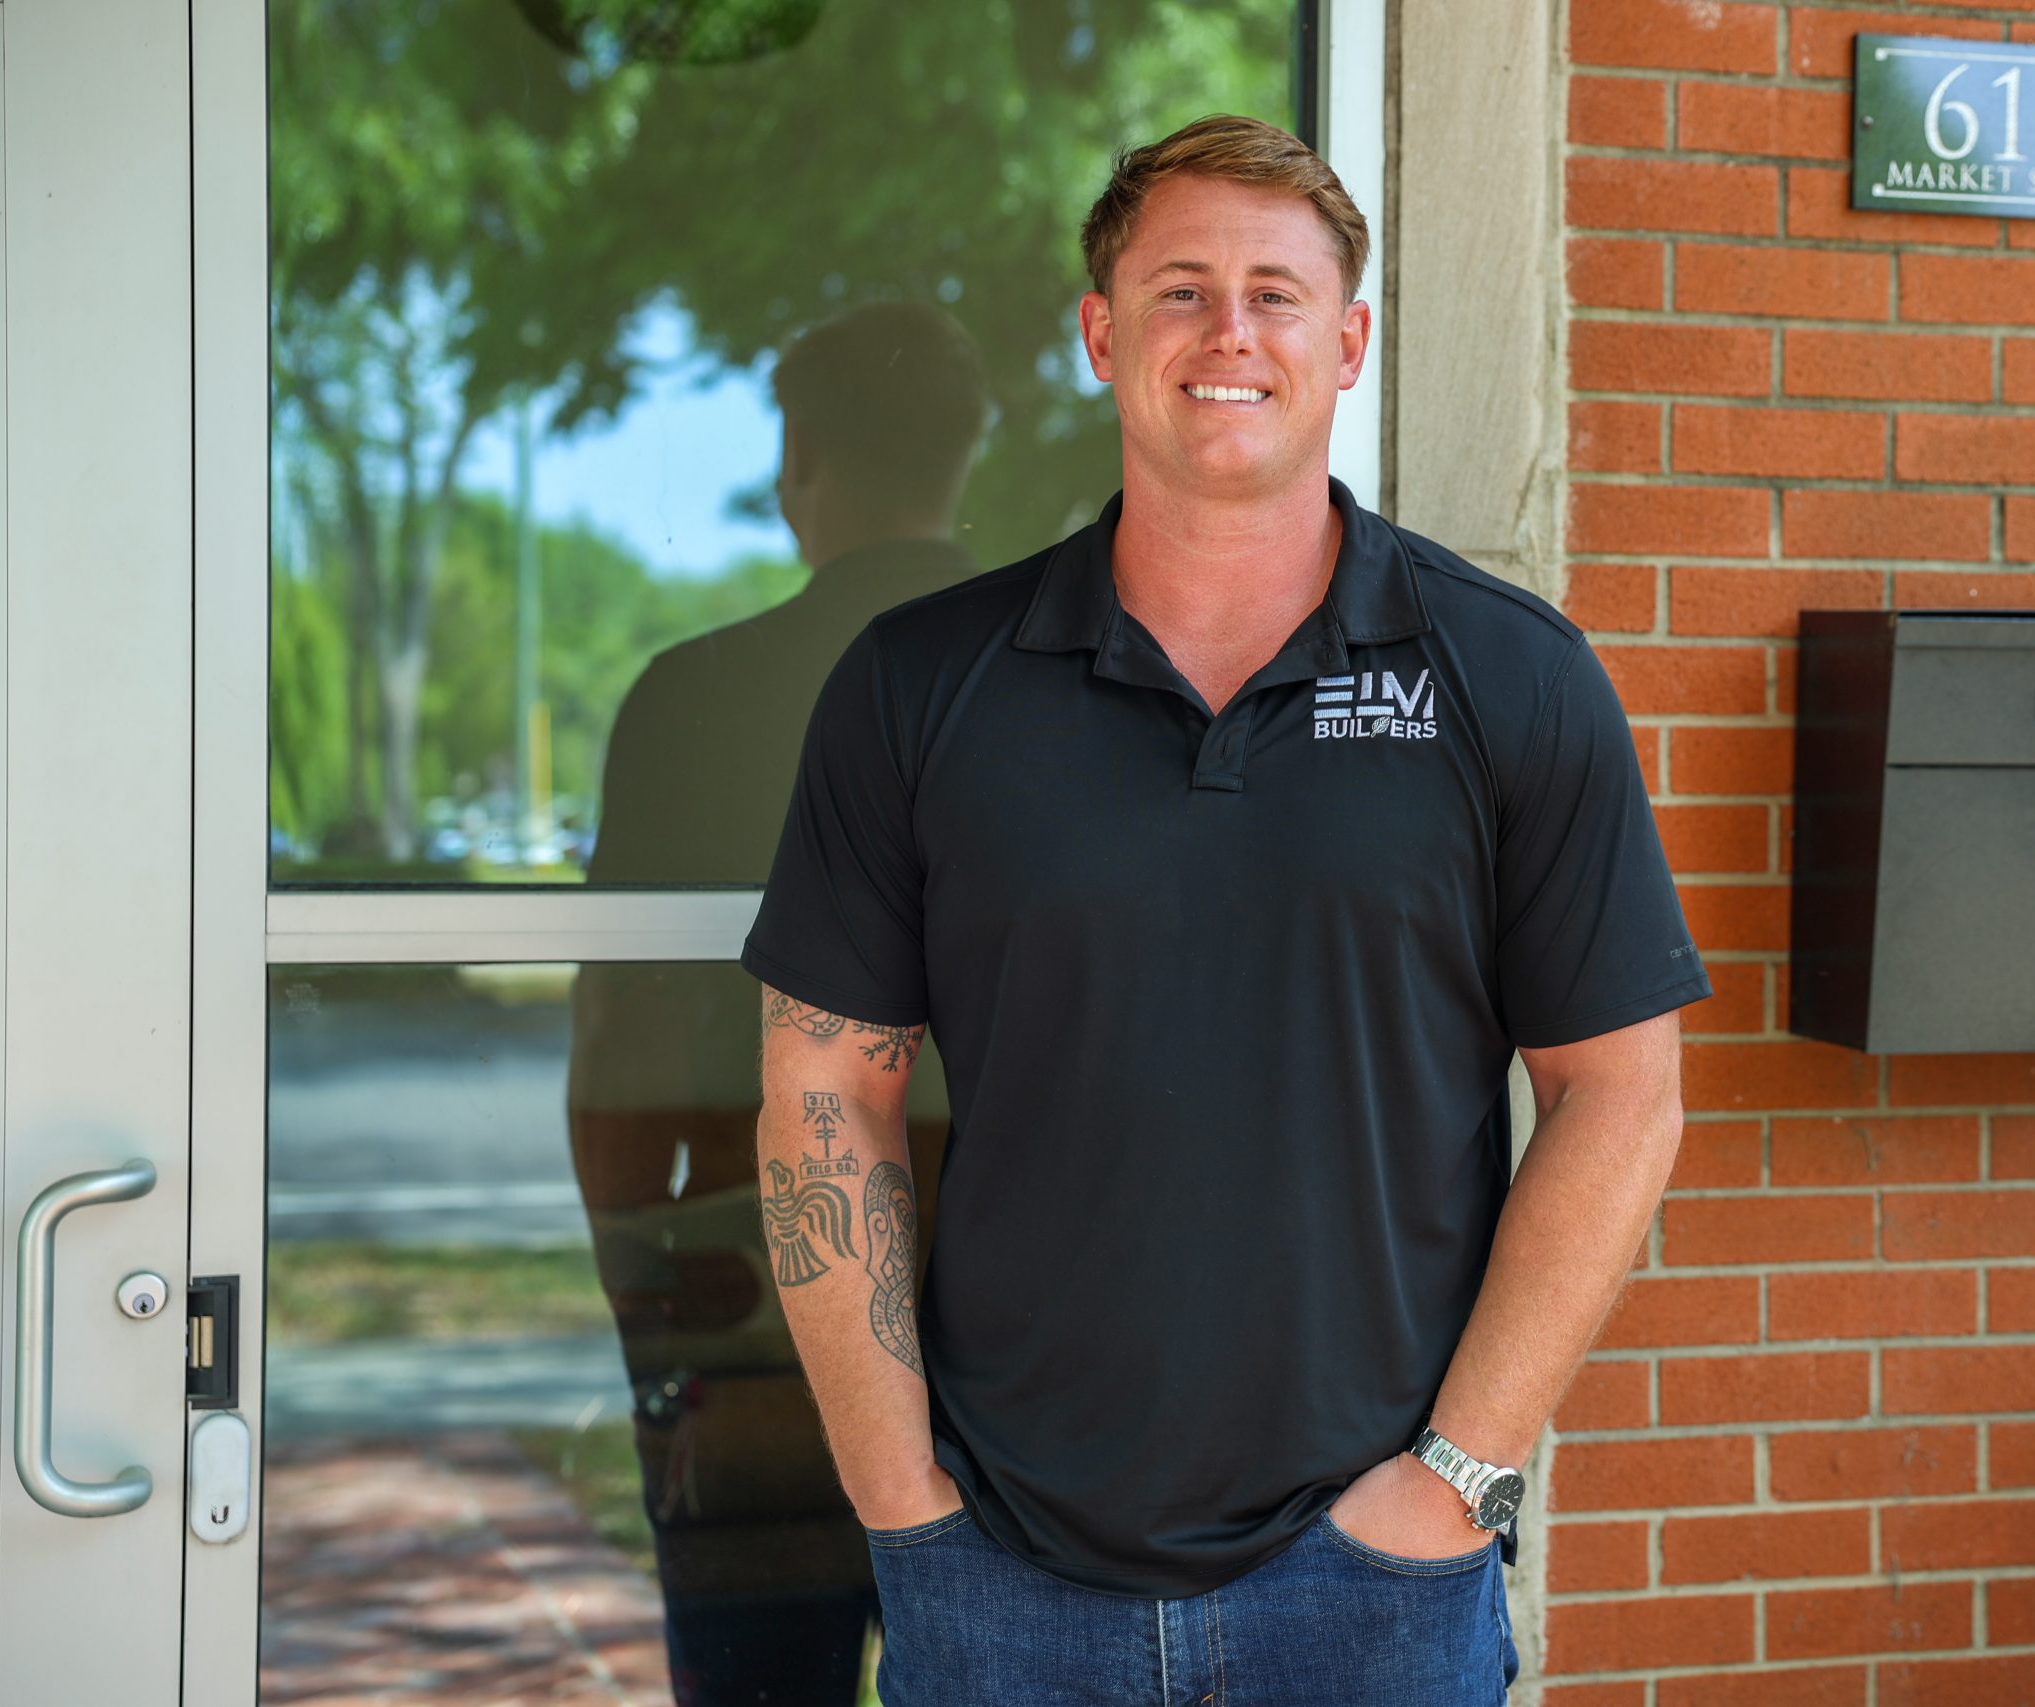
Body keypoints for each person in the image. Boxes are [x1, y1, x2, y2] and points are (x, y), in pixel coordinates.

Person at [743, 114, 1709, 1705]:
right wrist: (899, 1501)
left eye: (1275, 291)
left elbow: (1620, 1089)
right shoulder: (921, 687)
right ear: (1102, 334)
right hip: (999, 1579)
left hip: (1375, 1591)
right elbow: (824, 1089)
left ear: (1350, 341)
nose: (1229, 332)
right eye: (1180, 289)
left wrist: (1454, 1484)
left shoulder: (1508, 677)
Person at [563, 301, 988, 1703]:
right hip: (1026, 1328)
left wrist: (650, 1324)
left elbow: (619, 1054)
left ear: (796, 464)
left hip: (753, 1304)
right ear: (972, 449)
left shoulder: (689, 701)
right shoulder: (1066, 688)